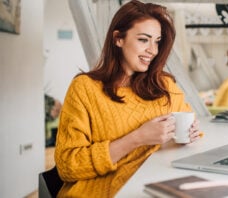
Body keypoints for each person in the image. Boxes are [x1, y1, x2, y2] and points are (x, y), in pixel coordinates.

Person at [54, 1, 201, 197]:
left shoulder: (165, 86)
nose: (153, 50)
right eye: (143, 40)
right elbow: (67, 166)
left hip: (155, 186)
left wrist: (191, 134)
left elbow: (188, 133)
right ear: (118, 39)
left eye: (157, 41)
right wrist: (137, 138)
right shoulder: (85, 88)